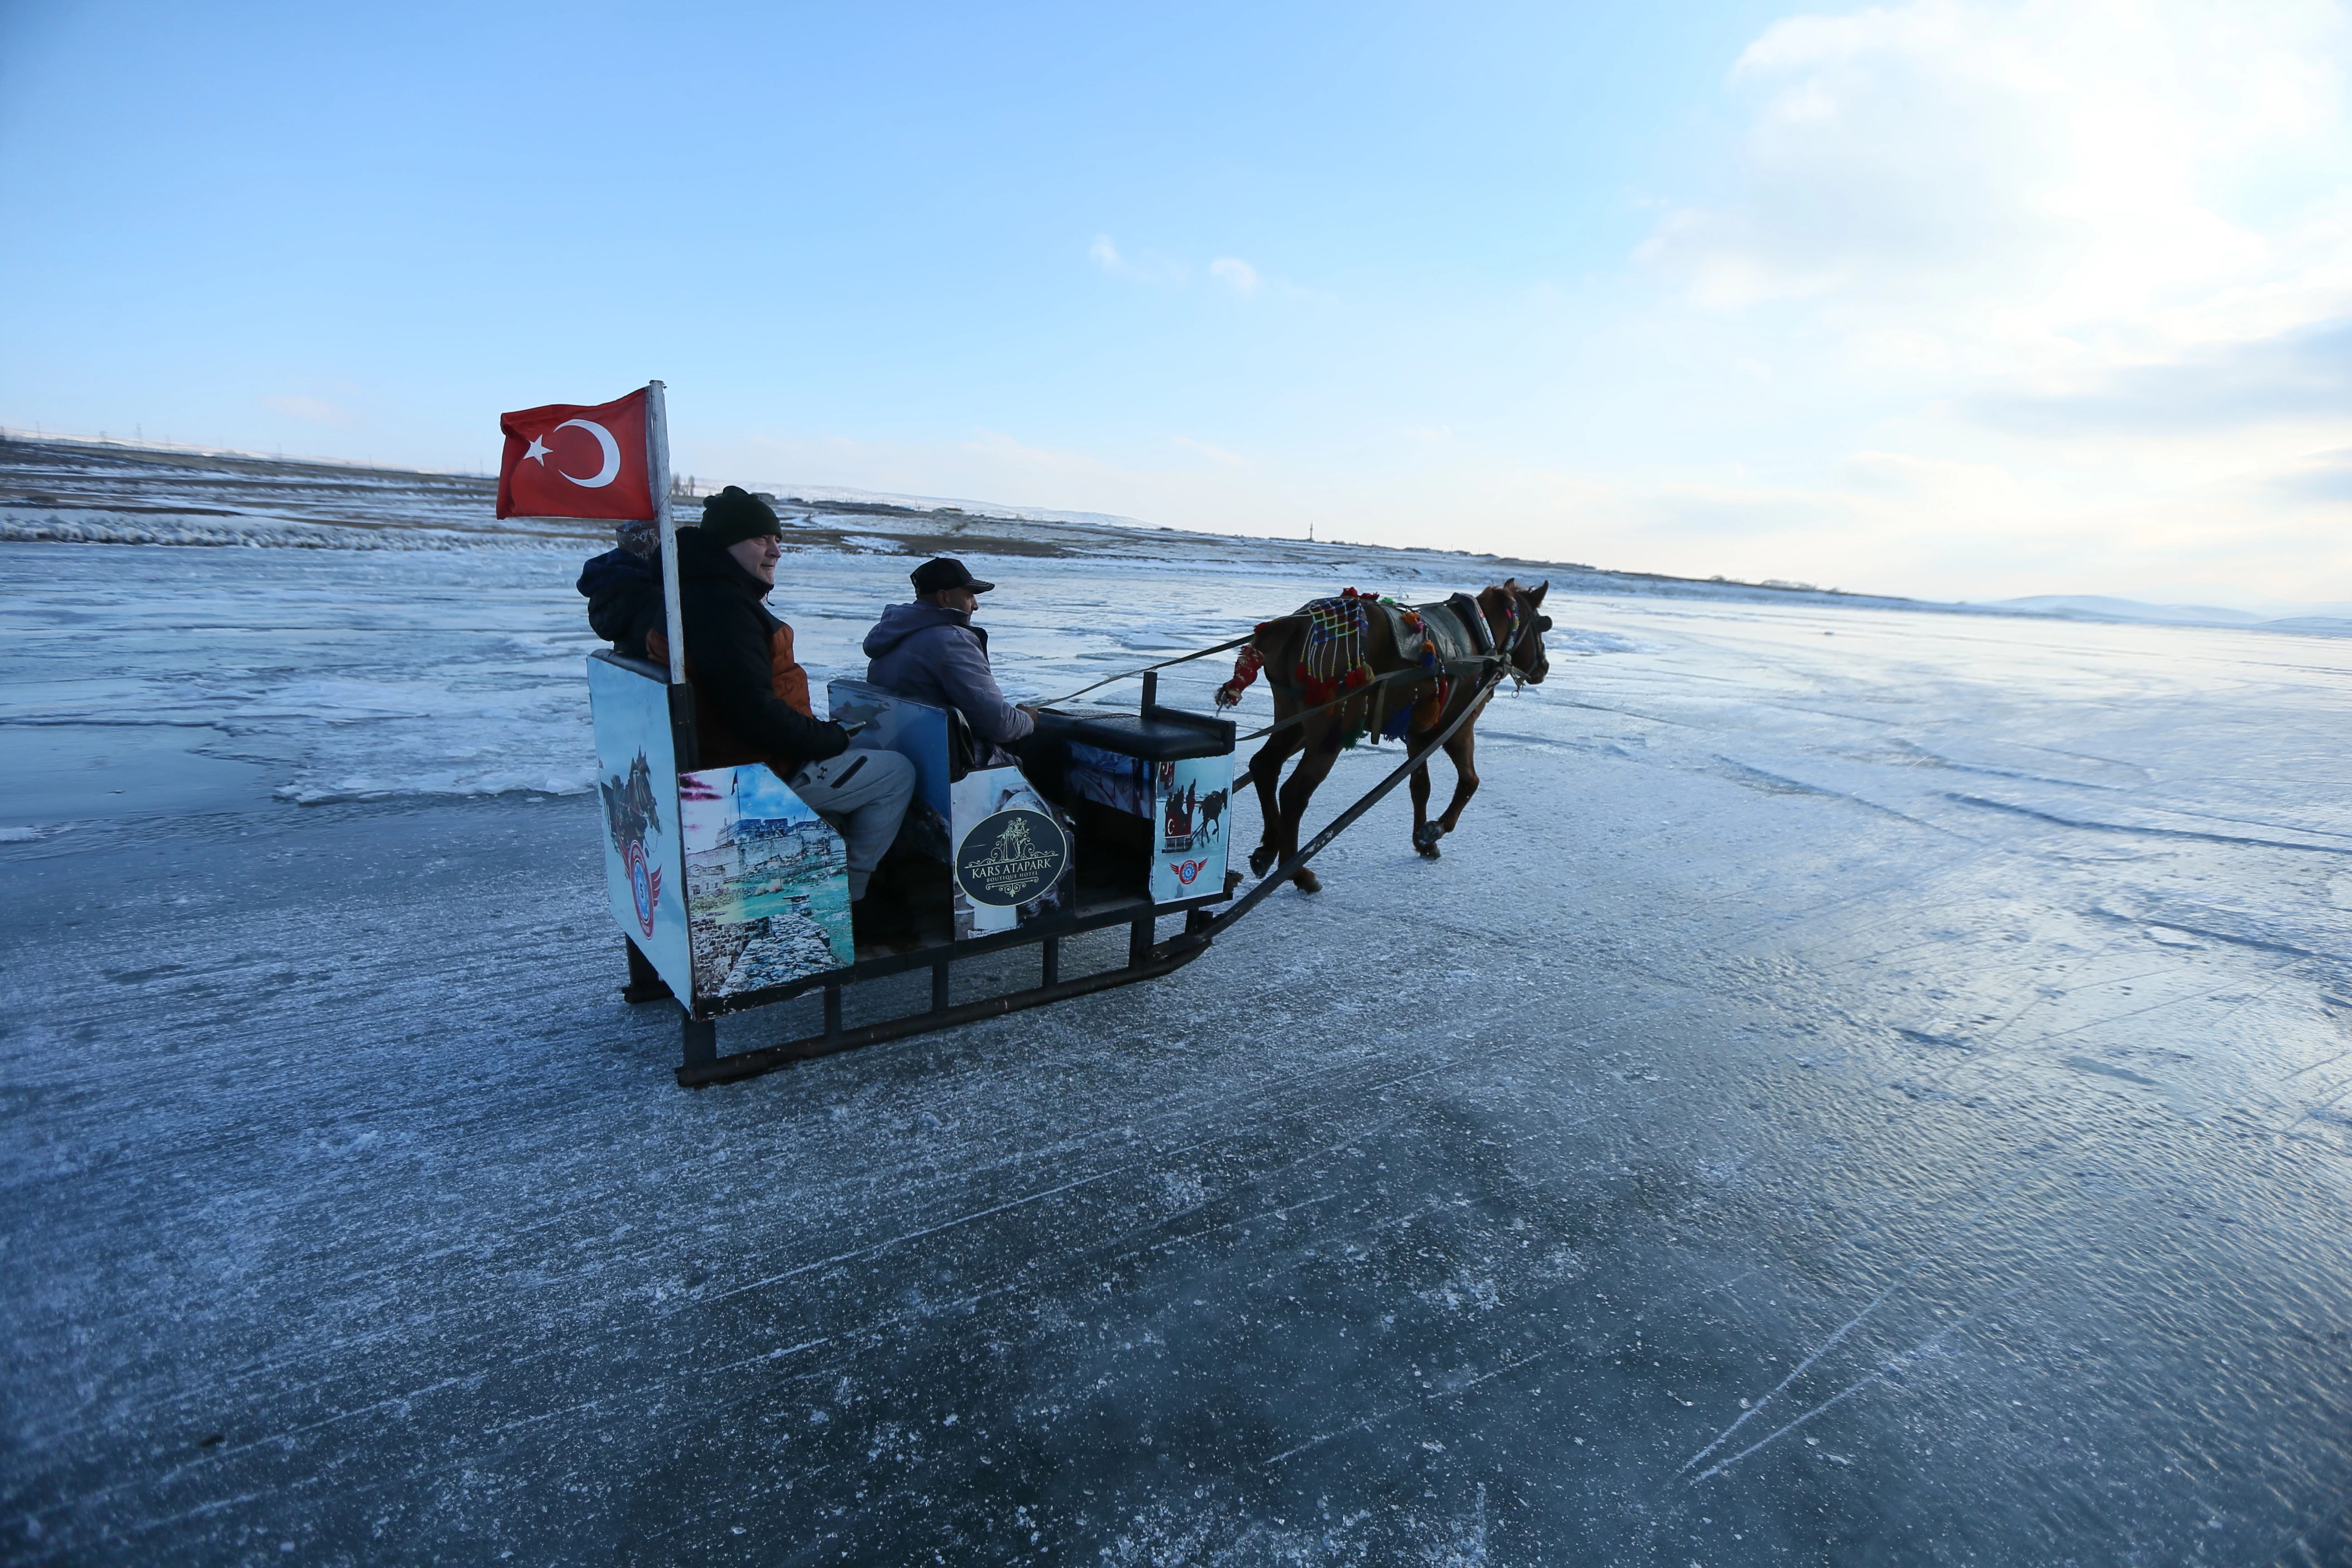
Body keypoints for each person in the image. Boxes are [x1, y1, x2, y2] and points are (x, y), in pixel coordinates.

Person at [659, 487, 914, 904]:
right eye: (761, 540)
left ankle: (821, 875)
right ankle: (854, 895)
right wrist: (827, 738)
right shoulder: (723, 607)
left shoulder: (700, 591)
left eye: (777, 540)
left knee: (847, 778)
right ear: (725, 545)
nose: (776, 551)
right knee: (896, 772)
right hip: (755, 772)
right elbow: (754, 715)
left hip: (738, 759)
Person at [861, 557, 1035, 765]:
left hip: (909, 748)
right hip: (951, 761)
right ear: (944, 598)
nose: (976, 605)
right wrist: (1029, 718)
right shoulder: (952, 642)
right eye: (970, 596)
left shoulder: (893, 634)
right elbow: (1000, 725)